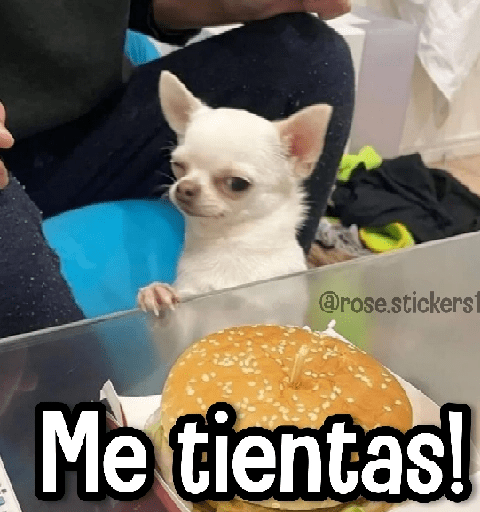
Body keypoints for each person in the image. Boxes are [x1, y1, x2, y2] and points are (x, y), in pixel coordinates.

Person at [0, 0, 355, 339]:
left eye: (234, 183)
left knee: (313, 50)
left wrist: (235, 5)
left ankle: (281, 296)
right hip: (13, 149)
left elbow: (139, 7)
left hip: (99, 113)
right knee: (52, 348)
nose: (185, 187)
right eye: (180, 168)